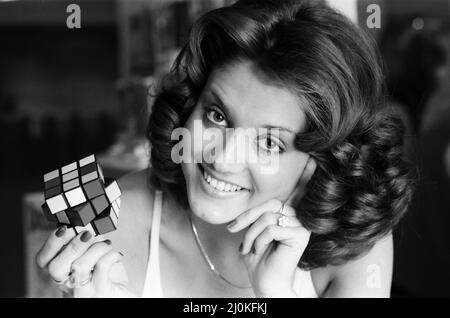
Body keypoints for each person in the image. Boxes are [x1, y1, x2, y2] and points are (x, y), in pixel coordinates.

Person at [36, 0, 414, 298]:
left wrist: (278, 295)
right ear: (191, 105)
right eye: (216, 115)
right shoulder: (109, 211)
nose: (221, 157)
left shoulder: (356, 245)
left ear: (320, 162)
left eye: (268, 142)